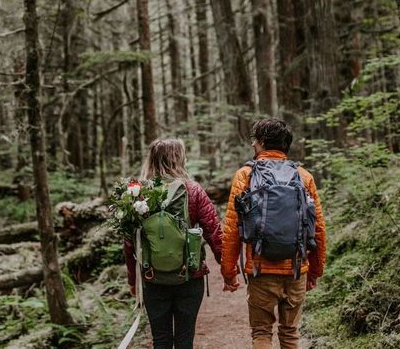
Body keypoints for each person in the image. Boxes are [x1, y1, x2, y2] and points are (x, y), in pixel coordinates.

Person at [221, 118, 326, 349]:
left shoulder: (245, 175)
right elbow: (317, 228)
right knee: (290, 333)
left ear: (261, 143)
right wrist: (315, 271)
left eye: (254, 140)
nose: (252, 145)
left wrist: (229, 273)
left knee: (261, 332)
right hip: (297, 268)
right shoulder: (304, 176)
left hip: (261, 269)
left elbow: (232, 230)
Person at [124, 138, 222, 349]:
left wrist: (133, 280)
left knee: (161, 341)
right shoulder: (193, 190)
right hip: (189, 275)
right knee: (185, 340)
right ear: (179, 159)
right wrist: (227, 268)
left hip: (152, 278)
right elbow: (214, 231)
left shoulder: (138, 193)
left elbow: (130, 243)